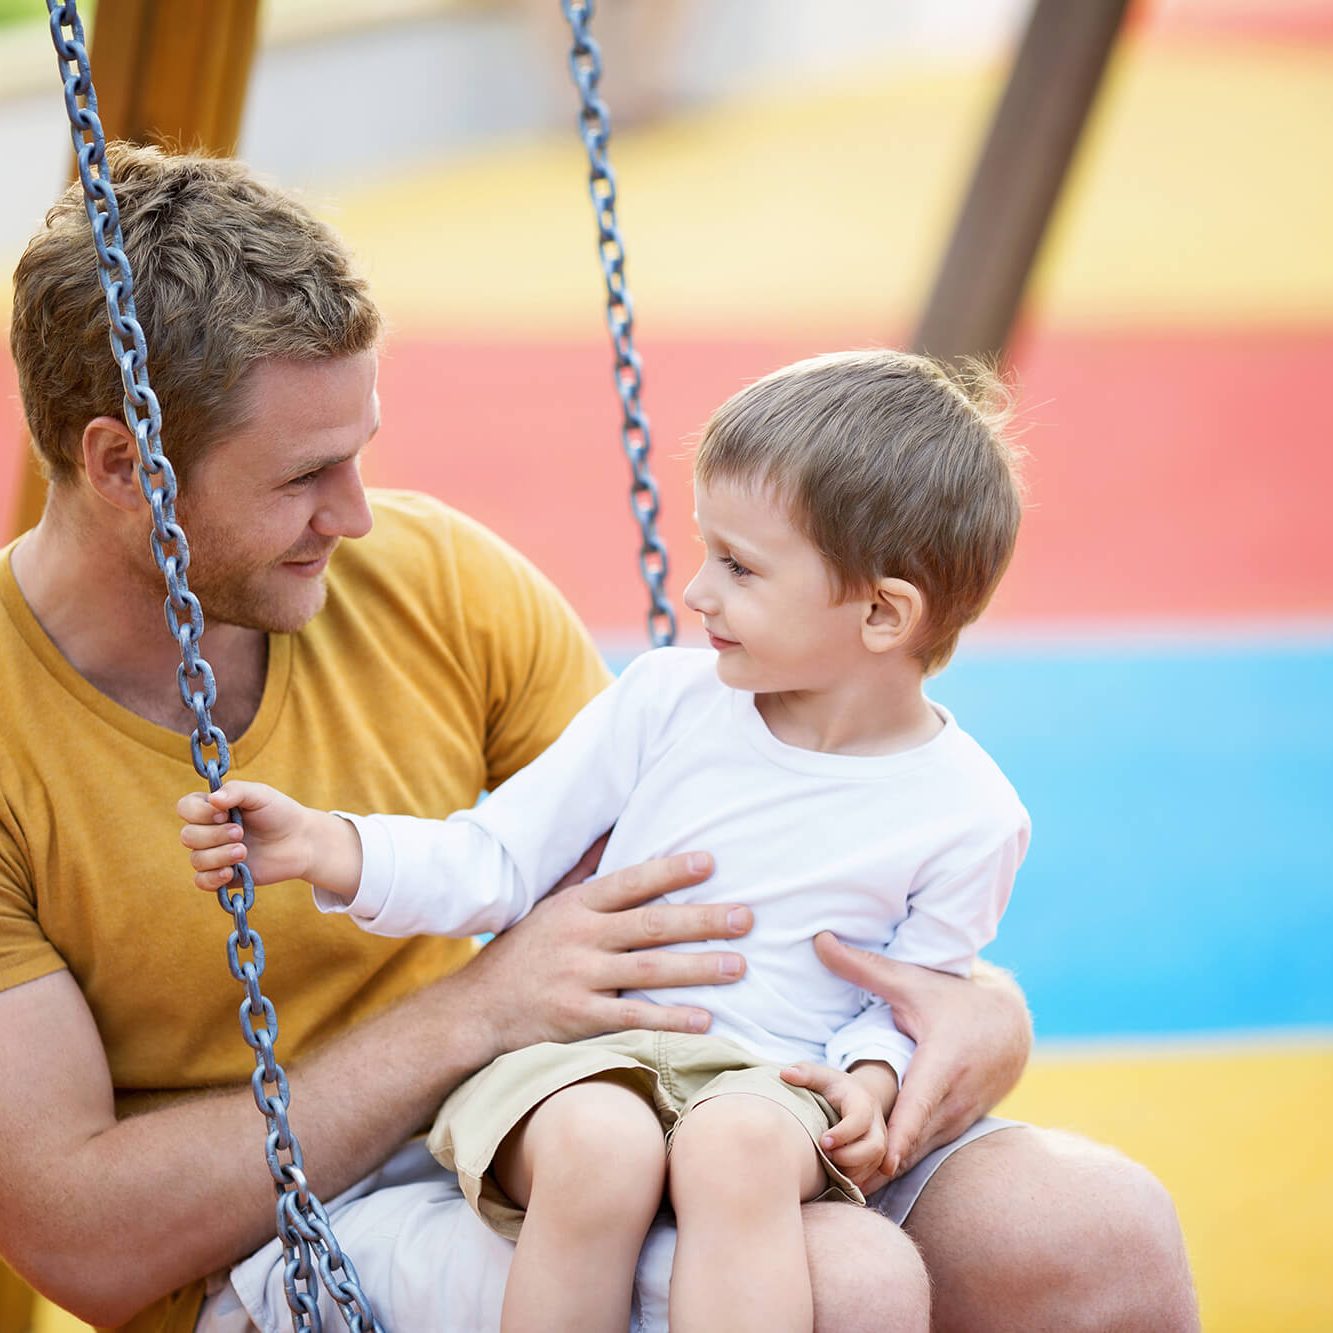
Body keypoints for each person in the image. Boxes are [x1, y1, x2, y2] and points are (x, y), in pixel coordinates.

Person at [0, 143, 1197, 1332]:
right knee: (846, 1282)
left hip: (640, 1102)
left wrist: (971, 1010)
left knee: (1100, 1237)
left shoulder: (438, 579)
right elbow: (82, 1240)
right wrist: (477, 1014)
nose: (358, 515)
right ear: (123, 465)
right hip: (304, 1215)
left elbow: (714, 875)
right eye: (307, 475)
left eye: (361, 452)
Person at [178, 349, 1031, 1333]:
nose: (698, 593)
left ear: (883, 612)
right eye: (705, 550)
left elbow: (916, 992)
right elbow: (496, 856)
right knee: (598, 1146)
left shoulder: (969, 812)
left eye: (741, 567)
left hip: (771, 1089)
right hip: (584, 1063)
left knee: (739, 1147)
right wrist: (330, 846)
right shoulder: (668, 704)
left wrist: (873, 1077)